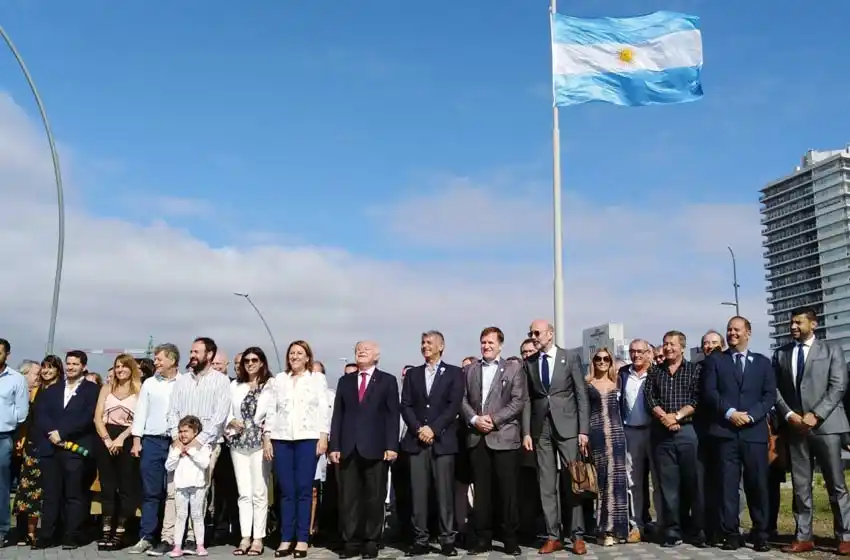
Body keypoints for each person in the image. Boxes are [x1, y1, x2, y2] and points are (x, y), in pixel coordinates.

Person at [773, 307, 850, 555]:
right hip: (796, 429)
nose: (793, 326)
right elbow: (774, 390)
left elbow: (838, 386)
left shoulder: (832, 350)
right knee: (801, 485)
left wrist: (815, 415)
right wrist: (789, 415)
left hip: (827, 427)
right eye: (791, 323)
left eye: (798, 322)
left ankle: (845, 535)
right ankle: (803, 536)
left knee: (836, 484)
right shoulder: (781, 354)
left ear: (813, 324)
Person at [700, 316, 774, 552]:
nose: (732, 333)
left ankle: (761, 532)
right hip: (725, 432)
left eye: (736, 330)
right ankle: (730, 532)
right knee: (727, 486)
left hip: (754, 433)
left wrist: (751, 416)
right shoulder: (716, 361)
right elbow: (710, 393)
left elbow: (769, 395)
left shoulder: (762, 362)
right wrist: (731, 413)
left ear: (748, 333)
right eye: (729, 329)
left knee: (757, 484)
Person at [520, 320, 588, 555]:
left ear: (550, 334)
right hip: (542, 429)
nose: (533, 336)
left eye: (537, 333)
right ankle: (553, 535)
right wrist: (527, 432)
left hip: (568, 427)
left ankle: (577, 535)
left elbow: (581, 394)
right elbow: (528, 399)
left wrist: (583, 430)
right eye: (531, 333)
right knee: (546, 483)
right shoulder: (529, 363)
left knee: (574, 481)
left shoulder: (569, 358)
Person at [329, 340, 399, 559]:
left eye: (366, 350)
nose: (361, 352)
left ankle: (371, 541)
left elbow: (392, 416)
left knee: (374, 496)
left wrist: (391, 446)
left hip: (376, 448)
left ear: (376, 356)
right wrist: (335, 446)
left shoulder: (387, 381)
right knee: (349, 498)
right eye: (358, 349)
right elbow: (338, 415)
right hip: (348, 448)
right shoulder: (345, 381)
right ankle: (351, 541)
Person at [462, 326, 526, 556]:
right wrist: (475, 419)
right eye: (483, 342)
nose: (486, 346)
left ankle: (509, 539)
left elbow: (518, 401)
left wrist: (494, 419)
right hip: (477, 438)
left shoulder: (513, 369)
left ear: (500, 345)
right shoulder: (470, 370)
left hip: (504, 437)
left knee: (507, 492)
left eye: (490, 343)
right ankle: (483, 538)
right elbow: (462, 400)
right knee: (482, 492)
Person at [262, 341, 329, 558]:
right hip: (281, 439)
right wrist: (267, 437)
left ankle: (302, 539)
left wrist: (323, 436)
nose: (295, 356)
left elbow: (322, 409)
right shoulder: (279, 380)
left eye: (300, 353)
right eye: (292, 353)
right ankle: (285, 537)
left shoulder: (316, 378)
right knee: (286, 491)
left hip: (307, 439)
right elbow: (271, 410)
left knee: (303, 489)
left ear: (308, 357)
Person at [400, 331, 464, 556]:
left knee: (445, 493)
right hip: (417, 442)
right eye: (423, 343)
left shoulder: (455, 373)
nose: (425, 346)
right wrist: (419, 429)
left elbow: (453, 405)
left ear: (441, 346)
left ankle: (447, 539)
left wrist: (434, 429)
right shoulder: (413, 374)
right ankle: (421, 539)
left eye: (429, 342)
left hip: (443, 441)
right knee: (418, 493)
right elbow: (405, 405)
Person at [31, 350, 99, 550]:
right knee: (51, 495)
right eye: (68, 363)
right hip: (50, 448)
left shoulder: (91, 390)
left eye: (75, 364)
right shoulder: (52, 389)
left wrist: (63, 433)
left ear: (83, 367)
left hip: (75, 449)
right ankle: (47, 535)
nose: (70, 367)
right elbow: (41, 413)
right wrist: (52, 433)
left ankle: (71, 535)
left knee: (73, 494)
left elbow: (88, 416)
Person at [227, 347, 273, 556]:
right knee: (243, 493)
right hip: (239, 442)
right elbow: (226, 411)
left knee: (259, 492)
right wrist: (231, 422)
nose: (250, 364)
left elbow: (272, 413)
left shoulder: (270, 385)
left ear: (262, 362)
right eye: (246, 361)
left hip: (260, 442)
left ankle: (258, 538)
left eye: (254, 360)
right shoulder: (235, 385)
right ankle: (245, 536)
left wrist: (268, 439)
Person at [166, 415, 212, 558]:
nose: (182, 434)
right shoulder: (175, 447)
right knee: (181, 516)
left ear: (195, 432)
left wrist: (190, 451)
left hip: (197, 486)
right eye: (180, 431)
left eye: (186, 431)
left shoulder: (203, 447)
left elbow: (204, 463)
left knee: (197, 515)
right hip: (181, 486)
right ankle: (177, 546)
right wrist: (178, 452)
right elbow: (168, 466)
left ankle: (200, 545)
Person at [0, 339, 29, 548]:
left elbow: (21, 412)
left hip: (3, 437)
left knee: (2, 486)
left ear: (7, 354)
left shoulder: (16, 379)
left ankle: (2, 530)